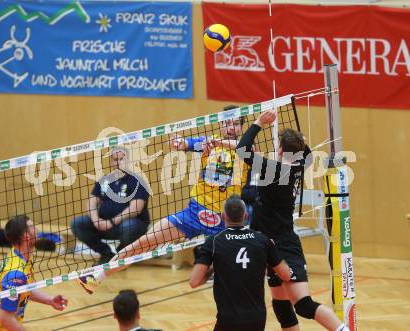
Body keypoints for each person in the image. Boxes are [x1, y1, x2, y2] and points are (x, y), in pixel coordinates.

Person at [78, 105, 249, 293]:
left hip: (225, 221)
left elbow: (243, 148)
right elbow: (185, 143)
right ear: (220, 124)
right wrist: (177, 142)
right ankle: (96, 277)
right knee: (143, 244)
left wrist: (216, 144)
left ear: (242, 127)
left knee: (223, 276)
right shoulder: (207, 142)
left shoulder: (246, 147)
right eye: (226, 123)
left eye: (235, 124)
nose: (230, 127)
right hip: (194, 212)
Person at [236, 110, 349, 331]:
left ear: (279, 150)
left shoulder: (274, 169)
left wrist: (259, 123)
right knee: (280, 304)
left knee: (303, 304)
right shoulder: (300, 166)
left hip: (282, 245)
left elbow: (242, 149)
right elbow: (306, 154)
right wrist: (301, 143)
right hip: (270, 245)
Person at [190, 194, 291, 331]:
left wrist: (214, 268)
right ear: (245, 216)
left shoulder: (213, 242)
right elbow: (286, 275)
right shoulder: (263, 240)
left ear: (223, 216)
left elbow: (194, 282)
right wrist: (273, 252)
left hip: (228, 319)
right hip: (257, 319)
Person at [0, 215, 68, 331]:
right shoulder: (16, 274)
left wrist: (49, 300)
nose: (38, 230)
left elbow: (24, 288)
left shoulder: (19, 256)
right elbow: (5, 319)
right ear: (26, 236)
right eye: (33, 227)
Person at [71, 146, 150, 265]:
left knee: (130, 226)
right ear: (111, 161)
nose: (118, 163)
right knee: (78, 223)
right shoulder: (105, 180)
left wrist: (111, 222)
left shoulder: (137, 181)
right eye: (115, 159)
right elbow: (91, 202)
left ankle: (120, 256)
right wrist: (96, 220)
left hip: (129, 226)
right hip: (104, 225)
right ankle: (106, 254)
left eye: (121, 159)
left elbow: (136, 208)